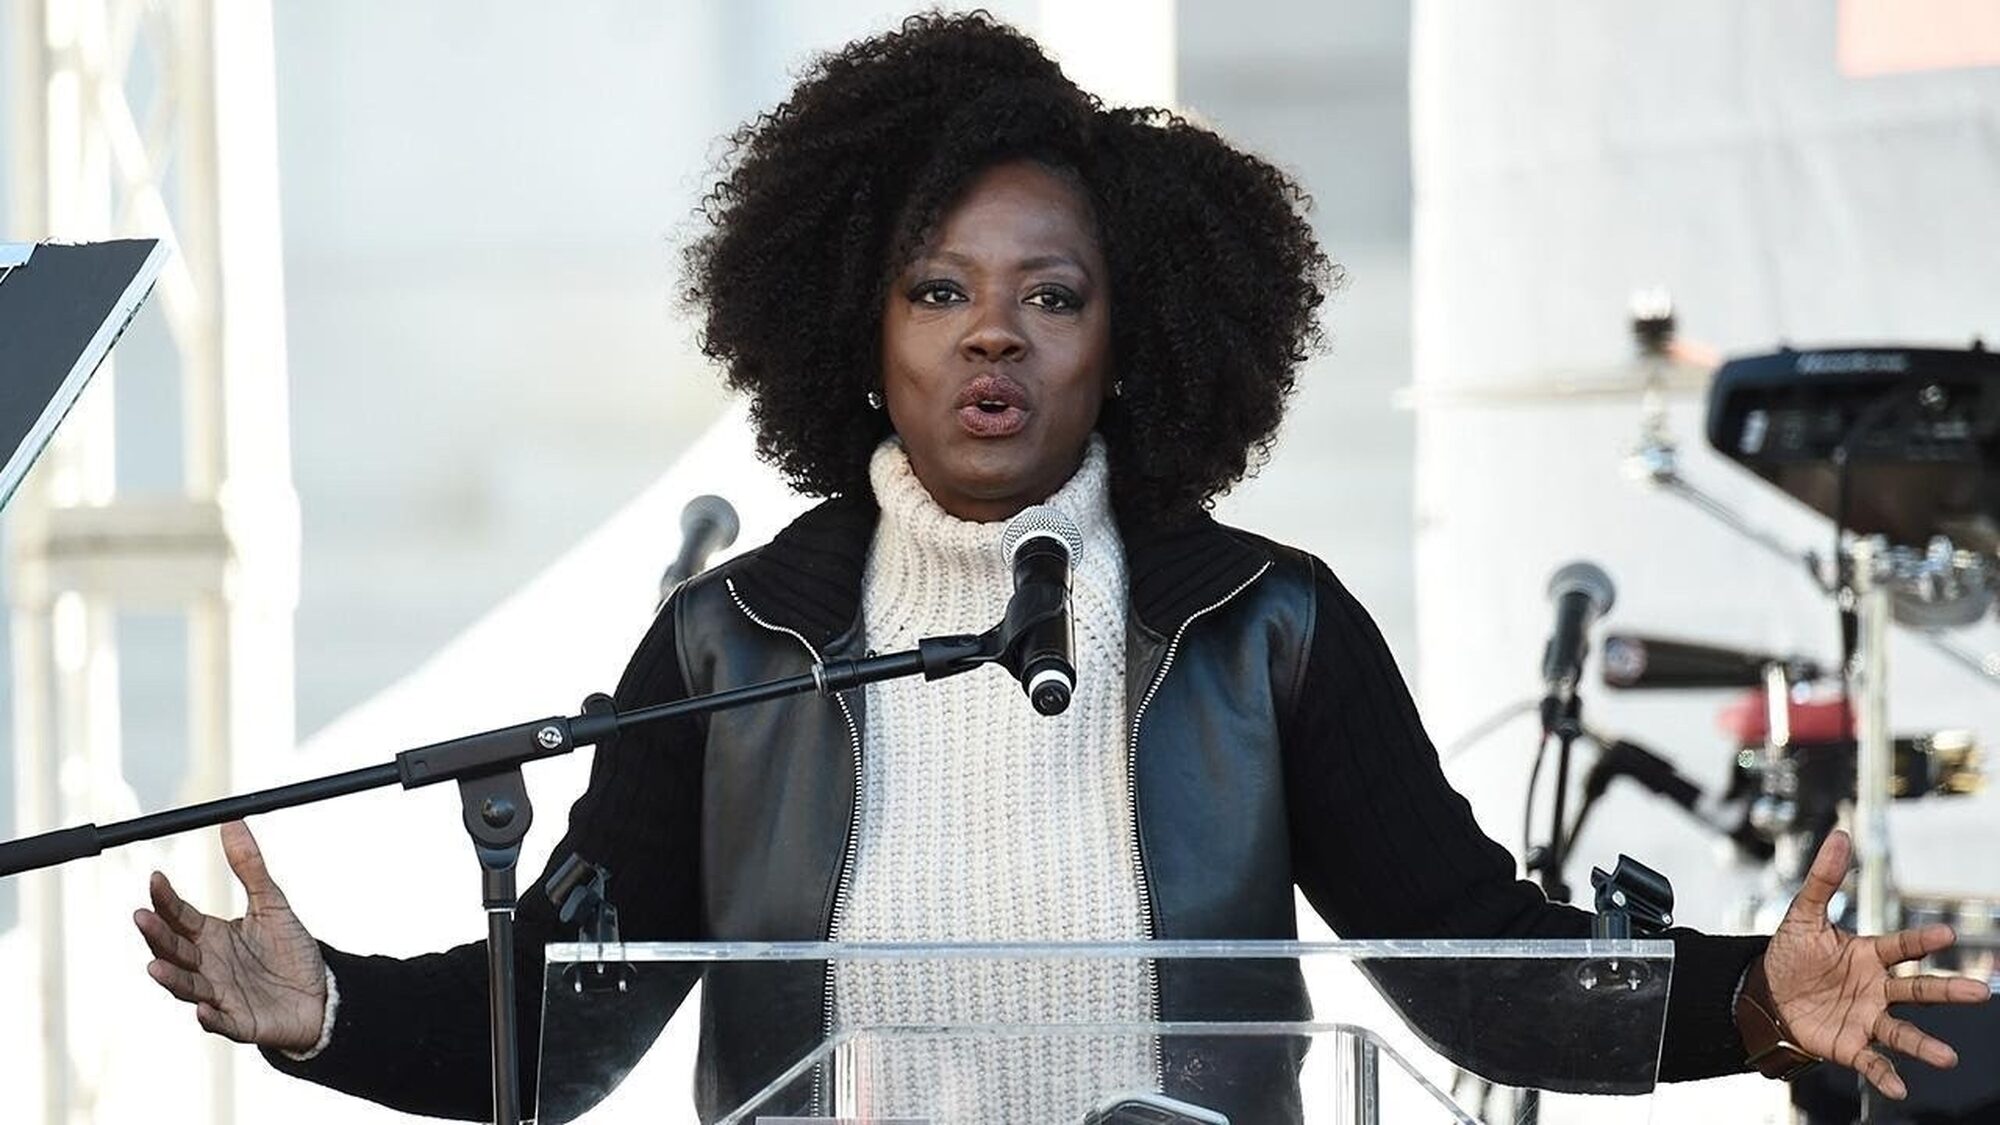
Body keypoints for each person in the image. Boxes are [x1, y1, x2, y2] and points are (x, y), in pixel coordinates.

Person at [133, 12, 1989, 1123]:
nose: (990, 335)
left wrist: (1748, 1000)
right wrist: (333, 1009)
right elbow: (573, 1009)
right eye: (937, 289)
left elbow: (1469, 958)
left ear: (1134, 335)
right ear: (857, 330)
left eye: (1053, 295)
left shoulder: (1263, 628)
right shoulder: (736, 641)